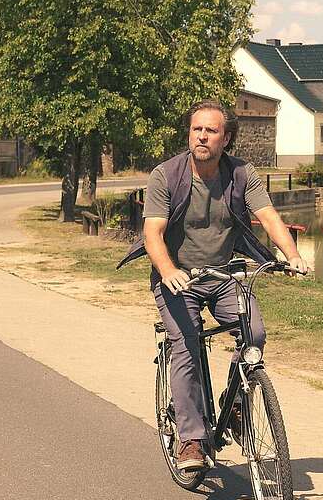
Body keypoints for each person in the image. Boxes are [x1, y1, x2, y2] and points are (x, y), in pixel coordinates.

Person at [118, 100, 310, 471]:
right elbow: (153, 233)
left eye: (211, 130)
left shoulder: (240, 174)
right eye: (197, 129)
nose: (202, 136)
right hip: (178, 278)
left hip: (224, 276)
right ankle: (190, 439)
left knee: (253, 332)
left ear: (226, 138)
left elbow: (268, 217)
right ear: (189, 133)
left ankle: (236, 404)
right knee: (186, 344)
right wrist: (168, 270)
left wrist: (292, 254)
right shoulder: (166, 175)